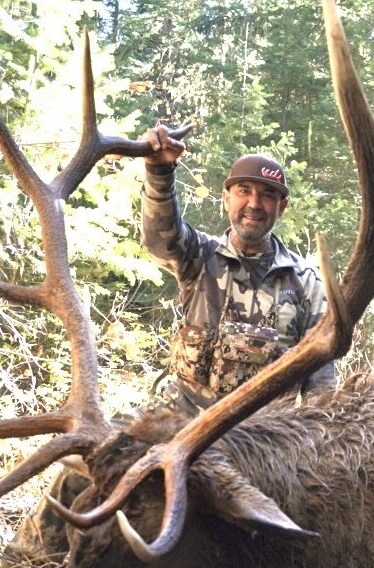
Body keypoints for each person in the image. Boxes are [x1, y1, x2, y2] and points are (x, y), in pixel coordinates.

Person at [140, 123, 336, 415]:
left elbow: (320, 385)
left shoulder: (307, 284)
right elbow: (160, 236)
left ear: (281, 207)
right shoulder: (200, 256)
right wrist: (158, 172)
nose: (254, 203)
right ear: (226, 198)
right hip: (182, 419)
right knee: (100, 450)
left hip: (260, 438)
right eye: (244, 191)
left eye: (268, 195)